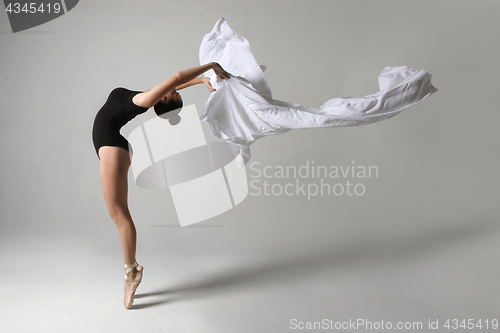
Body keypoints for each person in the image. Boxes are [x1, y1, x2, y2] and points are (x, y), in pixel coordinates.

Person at [92, 62, 232, 309]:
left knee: (119, 213)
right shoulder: (148, 96)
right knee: (118, 212)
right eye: (176, 92)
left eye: (174, 94)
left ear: (164, 100)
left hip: (112, 147)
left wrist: (211, 66)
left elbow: (177, 78)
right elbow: (176, 83)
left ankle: (130, 271)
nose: (176, 90)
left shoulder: (145, 101)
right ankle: (130, 269)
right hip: (111, 146)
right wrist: (200, 81)